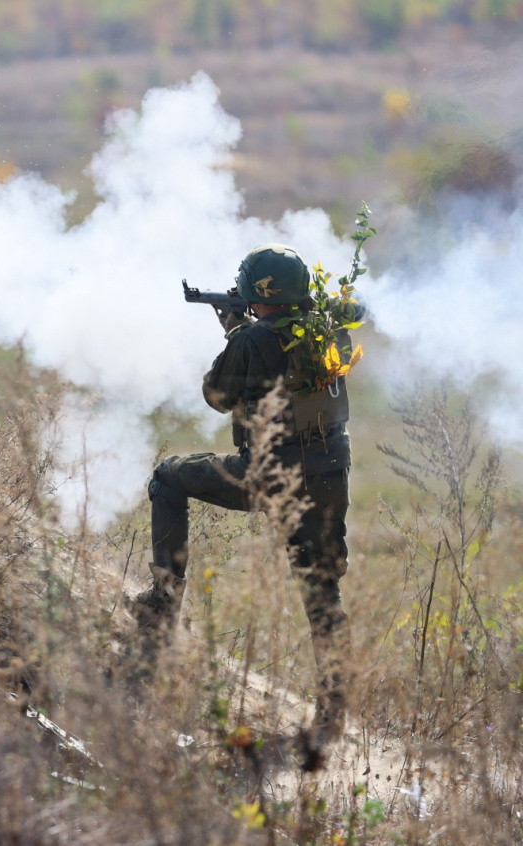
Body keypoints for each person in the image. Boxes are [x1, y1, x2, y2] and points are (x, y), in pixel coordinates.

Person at [130, 243, 354, 755]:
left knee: (169, 478)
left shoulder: (251, 338)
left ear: (257, 293)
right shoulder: (328, 330)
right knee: (322, 590)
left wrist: (235, 332)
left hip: (270, 472)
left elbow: (217, 396)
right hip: (329, 471)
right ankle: (334, 709)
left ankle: (162, 606)